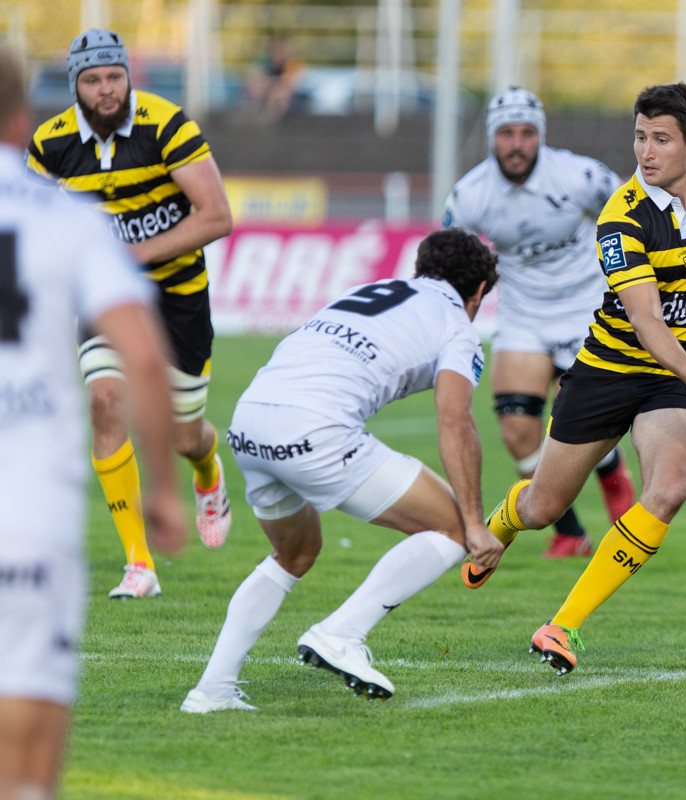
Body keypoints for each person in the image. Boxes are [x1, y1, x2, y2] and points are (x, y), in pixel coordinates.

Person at [479, 82, 686, 675]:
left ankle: (563, 626)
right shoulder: (621, 214)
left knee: (671, 487)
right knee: (542, 507)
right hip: (610, 368)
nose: (645, 152)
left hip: (677, 385)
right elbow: (646, 319)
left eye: (660, 139)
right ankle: (501, 523)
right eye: (639, 137)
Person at [181, 229, 503, 712]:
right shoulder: (458, 324)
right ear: (477, 292)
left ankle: (212, 690)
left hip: (249, 421)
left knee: (294, 553)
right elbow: (455, 419)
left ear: (420, 268)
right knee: (453, 526)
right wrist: (478, 525)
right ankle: (341, 633)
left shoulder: (365, 293)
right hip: (316, 429)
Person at [0, 45, 186, 799]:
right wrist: (164, 489)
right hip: (27, 508)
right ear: (24, 118)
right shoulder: (67, 216)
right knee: (27, 770)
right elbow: (142, 358)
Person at [26, 29, 235, 599]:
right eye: (93, 80)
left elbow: (216, 216)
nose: (106, 89)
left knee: (181, 437)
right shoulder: (51, 144)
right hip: (104, 300)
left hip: (178, 297)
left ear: (127, 76)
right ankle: (139, 564)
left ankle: (208, 472)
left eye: (114, 76)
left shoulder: (167, 125)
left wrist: (134, 255)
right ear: (76, 86)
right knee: (105, 401)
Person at [444, 87, 636, 561]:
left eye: (526, 133)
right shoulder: (470, 194)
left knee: (587, 423)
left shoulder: (579, 175)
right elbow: (449, 261)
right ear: (493, 138)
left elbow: (636, 211)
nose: (516, 144)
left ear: (540, 137)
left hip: (588, 309)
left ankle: (613, 476)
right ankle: (569, 531)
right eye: (506, 134)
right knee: (516, 429)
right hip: (523, 315)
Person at [242, 34, 306, 122]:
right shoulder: (265, 61)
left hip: (288, 97)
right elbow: (251, 79)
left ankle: (268, 121)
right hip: (267, 93)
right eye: (277, 50)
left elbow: (290, 84)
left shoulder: (295, 64)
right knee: (256, 89)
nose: (279, 53)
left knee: (279, 93)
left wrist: (270, 83)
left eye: (283, 50)